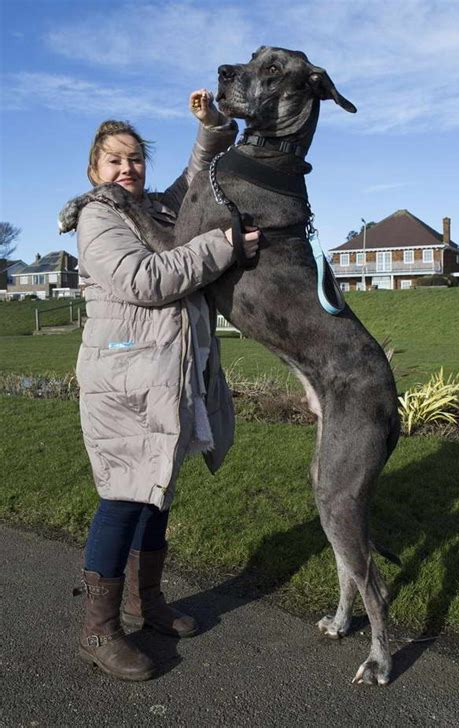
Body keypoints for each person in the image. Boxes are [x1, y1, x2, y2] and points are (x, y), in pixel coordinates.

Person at [66, 89, 260, 681]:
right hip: (122, 381)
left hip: (165, 381)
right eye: (115, 160)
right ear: (95, 171)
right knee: (123, 498)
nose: (128, 168)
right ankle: (98, 632)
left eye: (135, 159)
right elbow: (145, 279)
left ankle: (144, 601)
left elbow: (193, 184)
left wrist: (209, 127)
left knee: (157, 490)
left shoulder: (155, 212)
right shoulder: (98, 217)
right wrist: (222, 246)